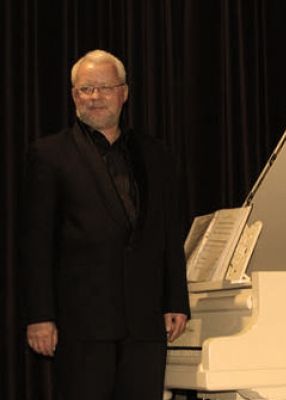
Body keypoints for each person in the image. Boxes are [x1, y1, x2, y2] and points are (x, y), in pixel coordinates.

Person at [22, 49, 190, 400]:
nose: (95, 96)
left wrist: (176, 300)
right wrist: (40, 316)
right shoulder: (49, 154)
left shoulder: (156, 154)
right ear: (74, 96)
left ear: (124, 93)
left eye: (105, 87)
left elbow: (167, 233)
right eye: (86, 89)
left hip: (144, 323)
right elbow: (37, 243)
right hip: (81, 324)